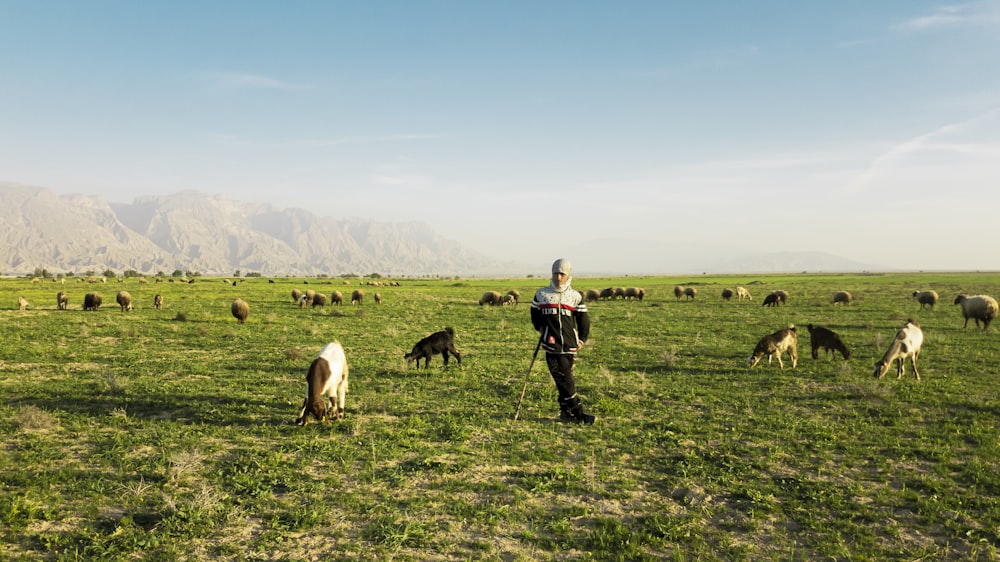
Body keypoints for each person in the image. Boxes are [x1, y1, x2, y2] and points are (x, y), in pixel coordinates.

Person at [530, 258, 595, 424]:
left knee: (565, 380)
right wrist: (542, 330)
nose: (558, 277)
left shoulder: (575, 297)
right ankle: (579, 413)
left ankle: (565, 412)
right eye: (555, 273)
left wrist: (582, 339)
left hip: (570, 346)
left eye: (562, 274)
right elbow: (535, 316)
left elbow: (583, 320)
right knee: (565, 380)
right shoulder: (542, 295)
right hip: (551, 345)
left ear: (568, 275)